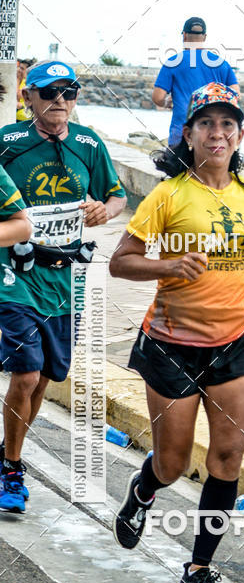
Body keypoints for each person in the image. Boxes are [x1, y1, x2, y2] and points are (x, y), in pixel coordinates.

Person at [109, 83, 244, 583]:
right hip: (171, 344)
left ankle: (197, 572)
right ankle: (145, 488)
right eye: (207, 124)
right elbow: (120, 261)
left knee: (228, 455)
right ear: (189, 135)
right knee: (172, 463)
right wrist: (167, 264)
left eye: (227, 125)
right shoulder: (169, 195)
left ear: (239, 135)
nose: (217, 133)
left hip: (236, 341)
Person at [0, 60, 127, 513]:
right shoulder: (9, 144)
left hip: (65, 275)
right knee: (26, 372)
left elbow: (117, 195)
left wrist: (105, 211)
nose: (60, 101)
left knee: (48, 378)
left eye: (69, 93)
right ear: (28, 96)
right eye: (50, 92)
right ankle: (13, 468)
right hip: (15, 275)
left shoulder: (89, 143)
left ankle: (7, 454)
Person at [152, 17, 240, 146]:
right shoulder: (221, 63)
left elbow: (157, 97)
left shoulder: (173, 62)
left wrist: (166, 103)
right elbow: (235, 94)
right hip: (213, 136)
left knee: (179, 166)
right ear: (204, 37)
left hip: (182, 134)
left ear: (184, 35)